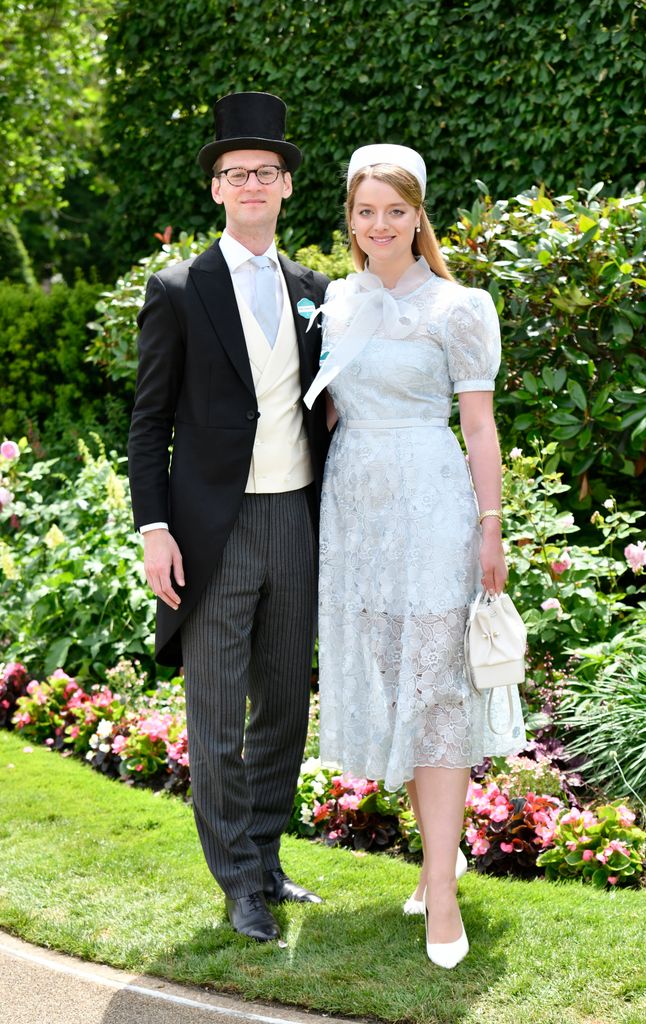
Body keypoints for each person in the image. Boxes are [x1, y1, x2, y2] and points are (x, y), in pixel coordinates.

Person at [304, 144, 525, 969]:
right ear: (351, 220)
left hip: (434, 507)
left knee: (437, 695)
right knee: (400, 684)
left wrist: (490, 526)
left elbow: (478, 426)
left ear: (418, 215)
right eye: (365, 211)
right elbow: (324, 411)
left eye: (395, 210)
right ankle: (444, 853)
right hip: (357, 514)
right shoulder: (336, 301)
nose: (379, 225)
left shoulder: (460, 306)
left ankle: (441, 890)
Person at [128, 91, 330, 943]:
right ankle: (237, 881)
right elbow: (148, 419)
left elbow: (328, 407)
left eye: (265, 172)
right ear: (216, 189)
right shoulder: (177, 288)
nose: (250, 184)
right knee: (213, 717)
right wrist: (153, 529)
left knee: (284, 706)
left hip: (296, 522)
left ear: (286, 187)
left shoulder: (319, 290)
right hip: (210, 533)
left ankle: (269, 858)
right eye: (234, 173)